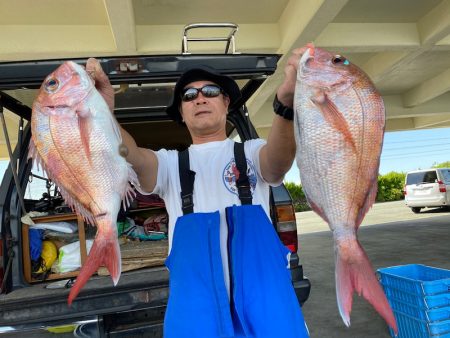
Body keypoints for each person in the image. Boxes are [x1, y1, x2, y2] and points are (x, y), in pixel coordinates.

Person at [86, 49, 309, 338]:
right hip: (196, 310)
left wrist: (285, 104)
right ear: (181, 112)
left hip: (267, 302)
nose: (200, 98)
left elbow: (278, 164)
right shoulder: (168, 164)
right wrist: (102, 111)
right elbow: (130, 154)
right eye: (189, 96)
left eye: (210, 91)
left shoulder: (252, 152)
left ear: (226, 102)